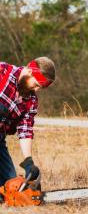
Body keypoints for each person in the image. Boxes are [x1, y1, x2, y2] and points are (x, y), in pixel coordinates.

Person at [0, 57, 55, 186]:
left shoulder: (31, 101)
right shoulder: (2, 71)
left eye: (40, 87)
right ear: (30, 71)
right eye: (36, 84)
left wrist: (28, 161)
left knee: (11, 186)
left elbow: (25, 130)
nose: (36, 90)